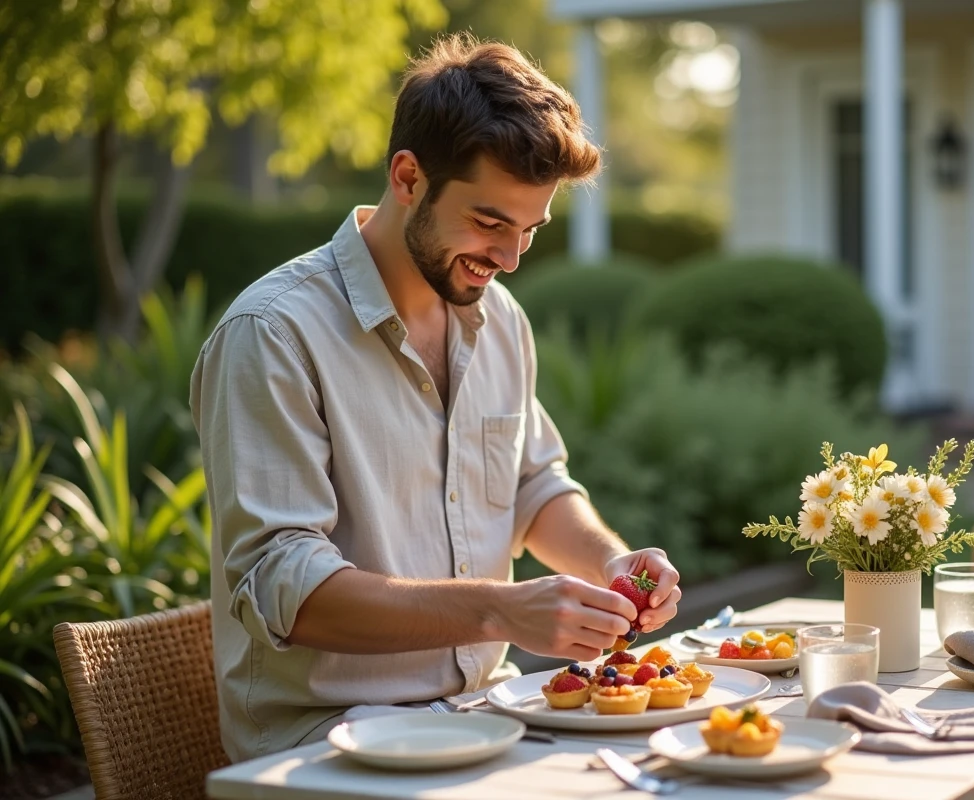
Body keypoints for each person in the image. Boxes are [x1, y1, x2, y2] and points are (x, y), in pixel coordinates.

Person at [190, 33, 683, 763]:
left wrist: (608, 563)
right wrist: (497, 610)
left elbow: (532, 485)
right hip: (321, 747)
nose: (511, 259)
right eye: (490, 223)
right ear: (407, 176)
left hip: (488, 716)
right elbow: (286, 587)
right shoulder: (273, 333)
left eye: (530, 230)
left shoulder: (500, 319)